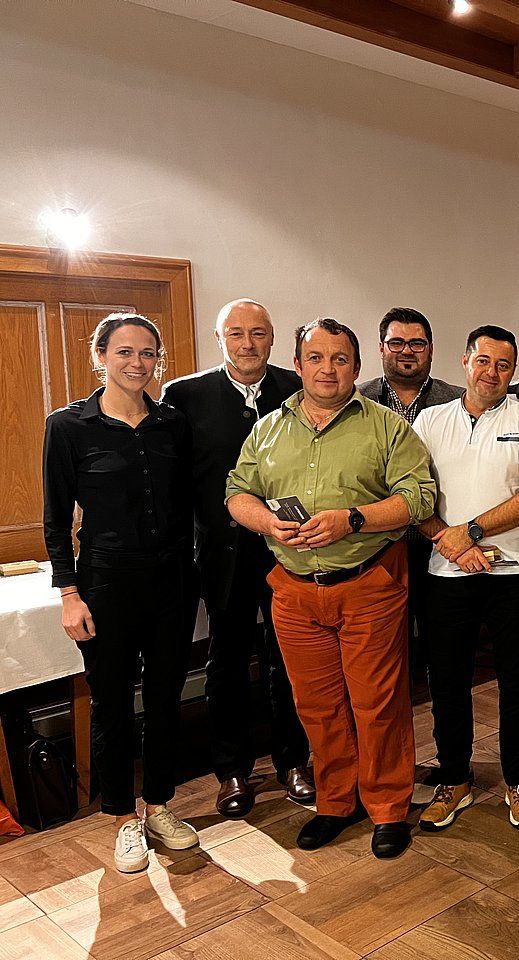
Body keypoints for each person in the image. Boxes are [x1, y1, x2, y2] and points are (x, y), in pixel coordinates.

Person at [226, 318, 435, 860]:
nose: (327, 369)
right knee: (318, 706)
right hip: (294, 591)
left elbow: (419, 498)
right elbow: (237, 492)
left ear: (356, 367)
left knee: (377, 703)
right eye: (315, 358)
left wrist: (353, 519)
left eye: (340, 359)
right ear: (297, 365)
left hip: (368, 583)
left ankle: (387, 806)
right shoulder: (267, 429)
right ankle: (336, 801)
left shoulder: (387, 427)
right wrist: (268, 524)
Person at [44, 313, 200, 873]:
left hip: (172, 580)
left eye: (148, 353)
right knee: (111, 704)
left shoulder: (173, 424)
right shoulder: (68, 427)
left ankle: (158, 806)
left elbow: (188, 504)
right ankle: (120, 818)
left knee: (164, 697)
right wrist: (69, 593)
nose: (138, 363)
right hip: (106, 581)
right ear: (101, 357)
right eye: (125, 352)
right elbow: (56, 518)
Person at [162, 299, 313, 820]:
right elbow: (175, 482)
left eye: (258, 333)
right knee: (225, 661)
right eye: (236, 333)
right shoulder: (184, 396)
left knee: (288, 657)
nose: (247, 344)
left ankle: (293, 760)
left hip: (288, 548)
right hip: (221, 554)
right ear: (219, 337)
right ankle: (232, 770)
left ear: (273, 338)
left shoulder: (296, 388)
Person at [414, 325, 519, 832]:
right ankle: (455, 779)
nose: (491, 372)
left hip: (513, 572)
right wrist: (449, 541)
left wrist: (469, 531)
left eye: (503, 364)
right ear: (465, 361)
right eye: (483, 361)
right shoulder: (430, 420)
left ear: (513, 370)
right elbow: (412, 495)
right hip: (446, 572)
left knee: (518, 682)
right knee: (447, 680)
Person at [358, 307, 464, 678]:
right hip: (377, 545)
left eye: (417, 343)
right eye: (396, 342)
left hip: (440, 541)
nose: (407, 351)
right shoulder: (356, 401)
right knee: (383, 652)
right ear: (381, 348)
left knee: (444, 647)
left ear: (431, 349)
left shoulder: (458, 401)